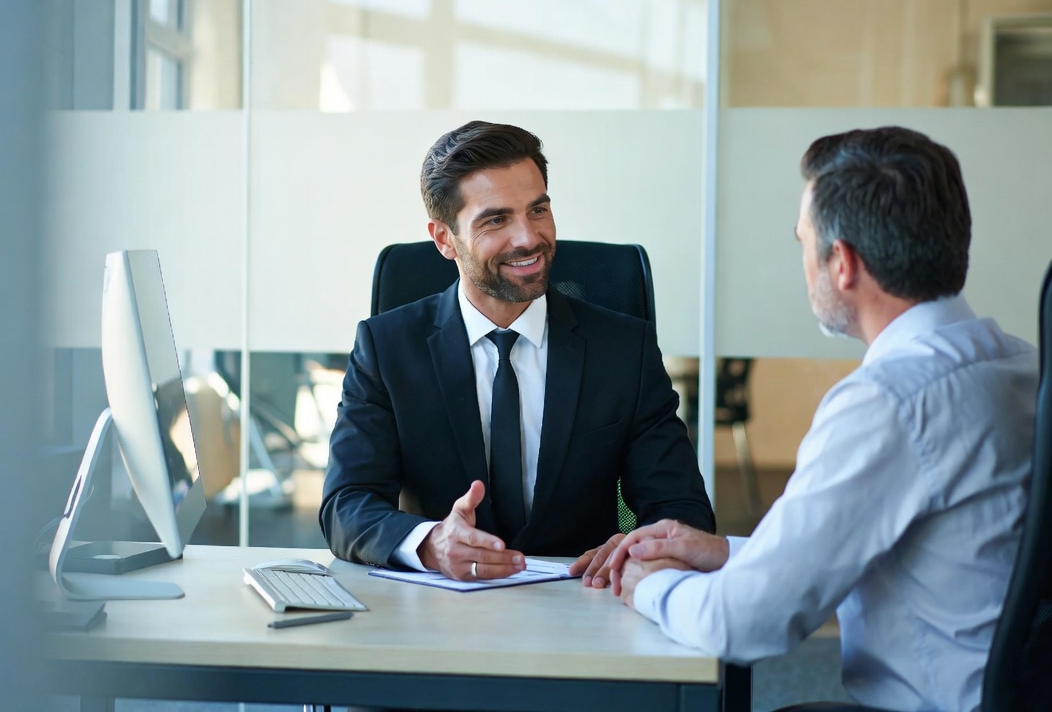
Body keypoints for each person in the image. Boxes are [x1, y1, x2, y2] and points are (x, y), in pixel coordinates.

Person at [605, 126, 1039, 712]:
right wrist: (726, 552)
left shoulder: (890, 401)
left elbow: (745, 623)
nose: (803, 263)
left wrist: (648, 585)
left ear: (843, 263)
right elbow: (891, 545)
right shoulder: (1020, 364)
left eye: (804, 242)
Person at [320, 120, 713, 583]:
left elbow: (682, 507)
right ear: (445, 239)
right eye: (495, 219)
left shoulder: (623, 349)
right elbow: (347, 504)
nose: (528, 238)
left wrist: (640, 541)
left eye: (538, 210)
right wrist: (430, 543)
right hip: (441, 610)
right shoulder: (387, 348)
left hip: (583, 601)